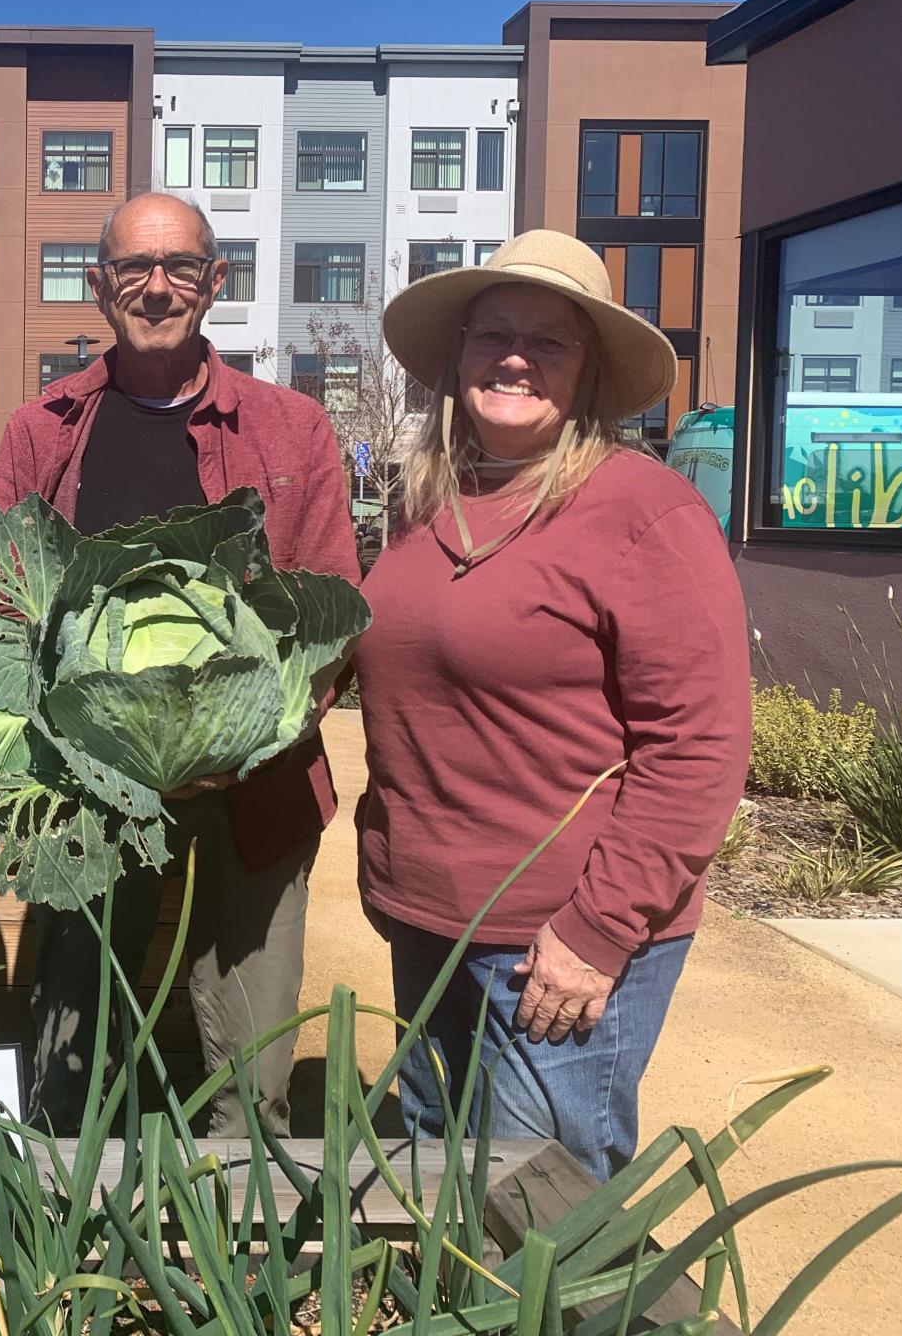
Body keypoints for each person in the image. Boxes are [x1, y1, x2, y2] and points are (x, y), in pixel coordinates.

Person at [353, 230, 750, 1180]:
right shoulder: (421, 500)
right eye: (493, 334)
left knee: (547, 1224)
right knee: (443, 1192)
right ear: (457, 358)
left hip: (552, 940)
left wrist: (598, 932)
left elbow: (699, 745)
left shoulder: (642, 511)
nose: (516, 358)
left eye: (550, 342)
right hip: (429, 920)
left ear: (589, 376)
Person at [0, 191, 360, 1137]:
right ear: (99, 286)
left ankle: (236, 1253)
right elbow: (1, 612)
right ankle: (68, 1252)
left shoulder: (293, 431)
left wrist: (232, 743)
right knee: (72, 1055)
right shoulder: (43, 431)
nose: (156, 288)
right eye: (132, 269)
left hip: (258, 789)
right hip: (87, 789)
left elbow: (328, 626)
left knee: (251, 1072)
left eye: (181, 267)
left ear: (215, 282)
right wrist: (99, 748)